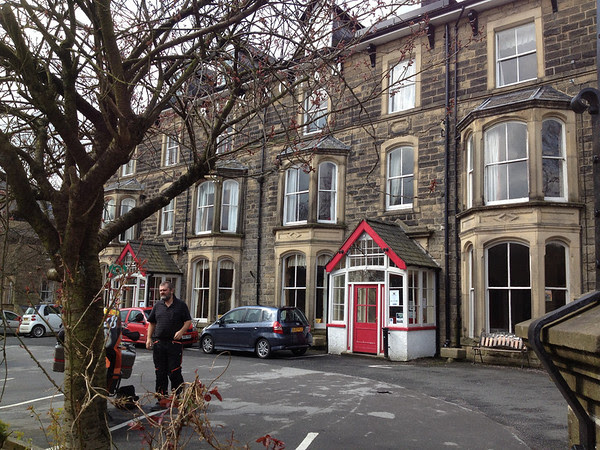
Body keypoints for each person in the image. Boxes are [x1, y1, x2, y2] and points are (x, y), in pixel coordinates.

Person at [146, 281, 192, 408]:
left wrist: (181, 331)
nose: (162, 292)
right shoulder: (158, 305)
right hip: (159, 343)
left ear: (171, 291)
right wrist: (149, 338)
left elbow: (188, 321)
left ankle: (177, 397)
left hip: (174, 344)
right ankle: (161, 398)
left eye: (164, 290)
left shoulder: (181, 305)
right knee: (160, 372)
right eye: (160, 290)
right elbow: (152, 323)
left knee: (174, 371)